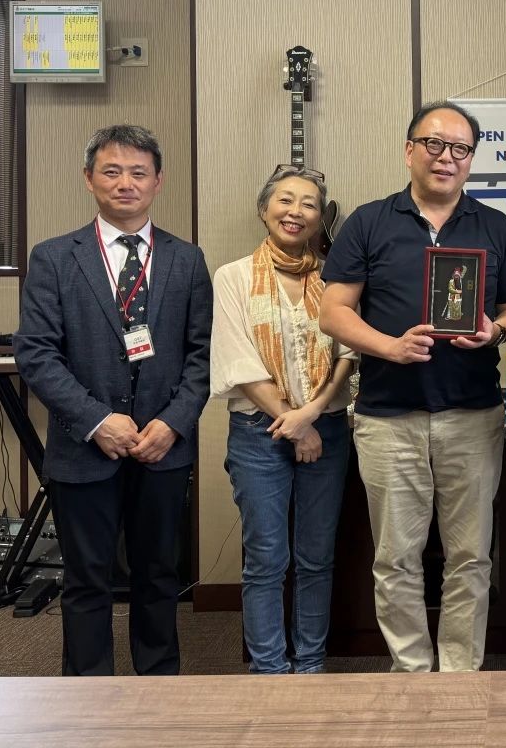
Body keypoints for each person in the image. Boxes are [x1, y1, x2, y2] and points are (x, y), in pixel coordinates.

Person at [319, 100, 506, 672]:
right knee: (395, 558)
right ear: (409, 150)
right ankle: (412, 672)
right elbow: (333, 312)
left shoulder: (493, 225)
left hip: (473, 415)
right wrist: (389, 347)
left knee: (470, 556)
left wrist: (493, 332)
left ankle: (459, 674)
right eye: (434, 144)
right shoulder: (369, 221)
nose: (446, 158)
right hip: (388, 417)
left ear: (471, 159)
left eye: (460, 148)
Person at [14, 124, 211, 676]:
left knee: (159, 577)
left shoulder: (187, 260)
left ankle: (158, 685)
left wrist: (172, 423)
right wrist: (98, 420)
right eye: (112, 171)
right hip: (84, 447)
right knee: (86, 580)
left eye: (138, 172)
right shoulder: (54, 257)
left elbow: (203, 355)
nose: (126, 183)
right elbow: (36, 354)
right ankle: (87, 693)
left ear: (158, 181)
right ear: (89, 179)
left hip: (162, 447)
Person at [210, 165, 355, 673]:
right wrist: (295, 422)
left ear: (320, 218)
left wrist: (311, 416)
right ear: (264, 209)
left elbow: (347, 354)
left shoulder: (336, 278)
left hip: (328, 429)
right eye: (285, 200)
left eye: (309, 204)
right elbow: (238, 361)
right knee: (266, 559)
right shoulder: (232, 277)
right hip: (259, 432)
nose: (296, 212)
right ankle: (269, 670)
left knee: (317, 557)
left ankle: (310, 664)